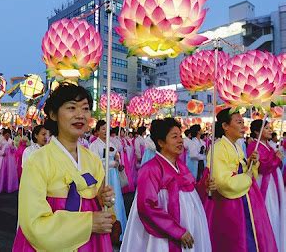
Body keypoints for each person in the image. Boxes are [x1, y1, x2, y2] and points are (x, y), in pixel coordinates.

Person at [12, 83, 114, 251]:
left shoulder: (93, 161)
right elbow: (34, 223)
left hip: (91, 244)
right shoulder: (37, 161)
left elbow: (100, 207)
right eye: (72, 108)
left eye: (85, 108)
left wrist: (102, 200)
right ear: (53, 114)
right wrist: (88, 223)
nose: (80, 115)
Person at [121, 118, 212, 252]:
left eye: (180, 136)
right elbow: (147, 206)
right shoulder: (151, 169)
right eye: (174, 137)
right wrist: (176, 231)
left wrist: (204, 186)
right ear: (161, 142)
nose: (180, 140)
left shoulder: (181, 166)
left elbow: (190, 194)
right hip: (161, 235)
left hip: (188, 228)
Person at [206, 108, 277, 252]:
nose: (243, 126)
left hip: (245, 198)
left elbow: (244, 170)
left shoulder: (237, 147)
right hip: (231, 204)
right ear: (225, 126)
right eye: (238, 122)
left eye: (243, 122)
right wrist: (247, 176)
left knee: (251, 236)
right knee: (236, 241)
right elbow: (222, 182)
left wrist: (251, 163)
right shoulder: (218, 148)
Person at [247, 119, 286, 251]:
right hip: (265, 184)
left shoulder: (268, 145)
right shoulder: (254, 146)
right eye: (266, 128)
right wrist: (277, 159)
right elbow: (263, 168)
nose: (270, 130)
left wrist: (277, 157)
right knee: (269, 210)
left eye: (270, 128)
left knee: (276, 208)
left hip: (273, 183)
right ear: (257, 131)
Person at [89, 120, 128, 241]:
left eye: (107, 128)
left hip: (114, 175)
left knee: (116, 200)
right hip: (103, 175)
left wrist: (117, 162)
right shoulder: (94, 145)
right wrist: (112, 163)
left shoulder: (111, 143)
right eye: (103, 129)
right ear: (97, 131)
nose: (106, 131)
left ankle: (119, 230)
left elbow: (117, 155)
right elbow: (95, 163)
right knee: (106, 200)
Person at [0, 128, 18, 193]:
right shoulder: (1, 141)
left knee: (10, 172)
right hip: (3, 159)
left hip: (10, 159)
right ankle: (1, 187)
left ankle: (9, 187)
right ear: (3, 135)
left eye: (8, 135)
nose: (7, 136)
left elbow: (14, 151)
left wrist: (12, 146)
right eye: (6, 135)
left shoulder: (11, 141)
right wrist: (2, 153)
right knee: (2, 172)